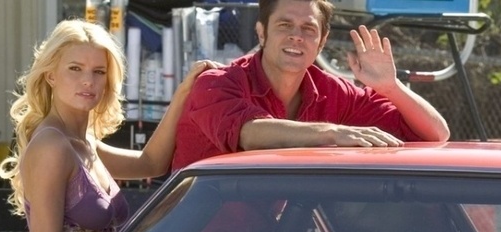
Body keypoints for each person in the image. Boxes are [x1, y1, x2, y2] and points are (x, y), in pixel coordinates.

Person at [0, 19, 218, 232]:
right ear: (50, 75)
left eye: (98, 72)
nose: (87, 80)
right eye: (75, 69)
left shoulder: (84, 144)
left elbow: (151, 164)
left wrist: (182, 94)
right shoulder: (52, 145)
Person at [170, 0, 450, 171]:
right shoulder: (215, 84)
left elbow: (435, 135)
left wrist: (391, 88)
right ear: (261, 32)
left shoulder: (335, 92)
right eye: (284, 25)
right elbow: (250, 133)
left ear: (322, 41)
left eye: (308, 29)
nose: (297, 36)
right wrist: (332, 133)